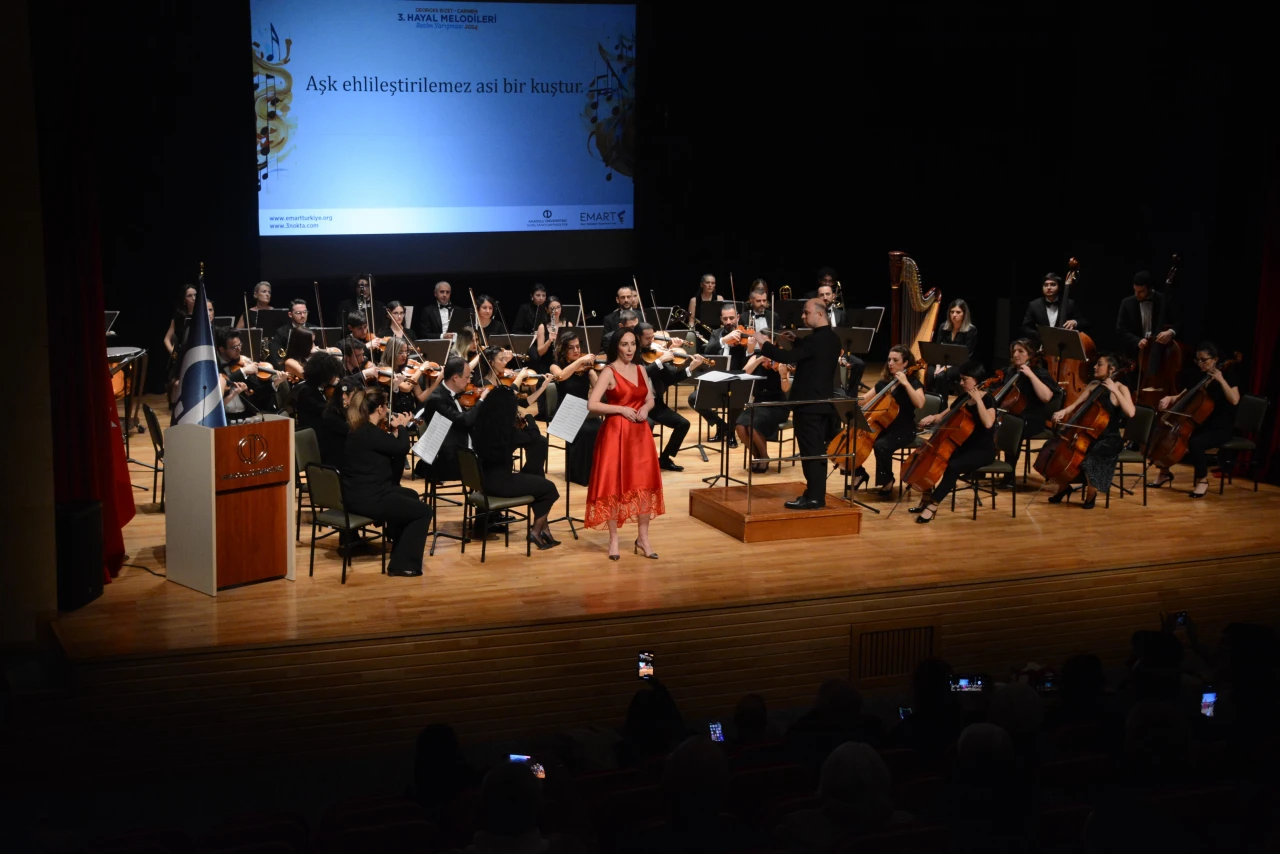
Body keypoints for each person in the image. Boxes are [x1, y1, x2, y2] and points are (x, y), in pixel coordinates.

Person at [586, 328, 665, 560]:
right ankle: (614, 539)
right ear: (616, 347)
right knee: (613, 485)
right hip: (615, 433)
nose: (630, 349)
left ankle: (643, 538)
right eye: (624, 344)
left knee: (643, 485)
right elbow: (592, 404)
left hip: (640, 434)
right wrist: (620, 409)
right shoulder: (608, 372)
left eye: (632, 344)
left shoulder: (641, 369)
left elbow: (650, 398)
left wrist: (645, 408)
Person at [756, 298, 841, 509]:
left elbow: (787, 357)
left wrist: (763, 343)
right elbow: (811, 352)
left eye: (806, 312)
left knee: (811, 453)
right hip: (820, 403)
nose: (803, 316)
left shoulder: (816, 340)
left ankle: (814, 498)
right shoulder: (831, 338)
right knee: (814, 452)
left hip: (809, 405)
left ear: (820, 314)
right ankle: (813, 494)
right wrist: (796, 340)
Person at [342, 390, 432, 577]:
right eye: (386, 406)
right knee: (424, 511)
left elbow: (393, 455)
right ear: (381, 409)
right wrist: (403, 428)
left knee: (411, 496)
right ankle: (402, 564)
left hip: (356, 494)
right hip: (371, 498)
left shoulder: (359, 429)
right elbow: (401, 448)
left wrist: (394, 431)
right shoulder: (371, 433)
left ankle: (398, 544)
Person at [470, 385, 561, 550]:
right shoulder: (504, 431)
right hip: (501, 485)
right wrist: (528, 416)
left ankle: (544, 530)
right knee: (549, 489)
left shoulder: (481, 425)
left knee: (537, 480)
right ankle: (535, 532)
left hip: (483, 482)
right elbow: (533, 436)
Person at [1147, 341, 1240, 497]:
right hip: (1202, 424)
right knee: (1166, 437)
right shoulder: (1200, 376)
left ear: (1215, 359)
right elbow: (1187, 394)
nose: (1200, 364)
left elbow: (1235, 400)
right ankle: (1164, 473)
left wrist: (1221, 380)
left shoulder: (1229, 375)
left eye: (1204, 360)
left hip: (1221, 427)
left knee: (1195, 442)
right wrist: (1171, 398)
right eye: (1198, 360)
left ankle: (1202, 480)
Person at [911, 360, 998, 522]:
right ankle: (926, 497)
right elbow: (944, 415)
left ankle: (933, 505)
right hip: (961, 446)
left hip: (982, 450)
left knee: (953, 466)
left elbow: (988, 423)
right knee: (931, 460)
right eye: (961, 379)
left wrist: (978, 400)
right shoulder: (963, 398)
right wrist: (932, 418)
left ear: (976, 380)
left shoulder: (988, 400)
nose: (961, 383)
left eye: (965, 379)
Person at [1047, 353, 1136, 508]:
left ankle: (1091, 495)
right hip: (1088, 434)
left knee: (1091, 456)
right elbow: (1075, 406)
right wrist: (1063, 412)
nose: (1095, 367)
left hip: (1109, 438)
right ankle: (1063, 487)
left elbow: (1131, 412)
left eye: (1099, 364)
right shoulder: (1094, 385)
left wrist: (1115, 390)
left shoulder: (1121, 388)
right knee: (1055, 450)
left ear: (1112, 369)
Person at [851, 345, 925, 497]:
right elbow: (864, 400)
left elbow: (920, 403)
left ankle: (888, 481)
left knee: (881, 445)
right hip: (884, 426)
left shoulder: (913, 384)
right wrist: (846, 399)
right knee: (852, 438)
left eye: (895, 360)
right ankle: (859, 473)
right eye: (889, 359)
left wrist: (905, 383)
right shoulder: (884, 384)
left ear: (905, 363)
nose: (890, 363)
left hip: (904, 429)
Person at [638, 323, 707, 472]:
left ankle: (664, 458)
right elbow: (639, 375)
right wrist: (660, 361)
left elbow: (671, 379)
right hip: (635, 404)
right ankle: (642, 462)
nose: (652, 341)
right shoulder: (632, 355)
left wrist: (691, 367)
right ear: (638, 338)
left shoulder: (654, 354)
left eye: (652, 337)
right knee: (648, 424)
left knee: (683, 424)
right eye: (647, 338)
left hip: (654, 403)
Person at [415, 357, 491, 483]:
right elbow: (464, 421)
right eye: (466, 377)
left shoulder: (455, 394)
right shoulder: (437, 399)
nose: (469, 381)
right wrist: (481, 400)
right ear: (455, 378)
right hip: (450, 459)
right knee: (495, 465)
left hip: (463, 449)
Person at [477, 346, 551, 474]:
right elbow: (507, 397)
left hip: (509, 429)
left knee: (541, 441)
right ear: (491, 362)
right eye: (501, 359)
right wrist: (520, 377)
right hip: (498, 433)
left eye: (505, 359)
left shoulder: (501, 381)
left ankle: (530, 474)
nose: (505, 362)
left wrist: (543, 387)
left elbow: (523, 402)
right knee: (536, 439)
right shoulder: (484, 384)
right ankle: (531, 477)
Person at [998, 338, 1057, 487]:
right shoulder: (1010, 372)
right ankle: (980, 468)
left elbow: (1046, 396)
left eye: (1021, 351)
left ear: (1030, 355)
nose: (1016, 354)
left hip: (1032, 419)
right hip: (1012, 415)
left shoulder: (1040, 373)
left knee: (1013, 427)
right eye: (1014, 351)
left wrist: (1031, 375)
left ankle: (1009, 475)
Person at [691, 302, 751, 447]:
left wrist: (749, 348)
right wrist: (724, 341)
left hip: (736, 380)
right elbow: (708, 350)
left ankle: (731, 432)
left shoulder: (744, 334)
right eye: (725, 319)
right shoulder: (716, 333)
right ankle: (721, 425)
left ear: (737, 317)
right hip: (716, 381)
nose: (729, 322)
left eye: (731, 318)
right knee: (693, 398)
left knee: (735, 397)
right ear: (721, 319)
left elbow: (747, 362)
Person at [551, 330, 601, 487]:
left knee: (600, 428)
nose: (576, 351)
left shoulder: (585, 368)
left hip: (584, 411)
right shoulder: (555, 365)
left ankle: (596, 473)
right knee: (585, 431)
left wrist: (594, 372)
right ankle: (579, 475)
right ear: (563, 349)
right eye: (572, 348)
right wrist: (579, 362)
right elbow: (561, 377)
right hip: (565, 412)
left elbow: (599, 389)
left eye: (578, 347)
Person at [736, 353, 791, 474]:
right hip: (758, 403)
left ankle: (764, 458)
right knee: (740, 426)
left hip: (777, 405)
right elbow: (743, 374)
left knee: (753, 425)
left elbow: (785, 389)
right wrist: (759, 360)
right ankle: (758, 456)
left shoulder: (780, 361)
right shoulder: (756, 358)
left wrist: (783, 375)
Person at [1116, 270, 1180, 360]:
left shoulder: (1165, 300)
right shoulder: (1126, 303)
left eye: (1141, 291)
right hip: (1135, 355)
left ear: (1150, 288)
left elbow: (1179, 322)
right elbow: (1121, 330)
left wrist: (1171, 332)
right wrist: (1137, 341)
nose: (1137, 295)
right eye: (1135, 290)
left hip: (1162, 353)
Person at [925, 298, 977, 405]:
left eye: (958, 312)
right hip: (942, 363)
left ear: (964, 314)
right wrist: (939, 367)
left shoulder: (971, 330)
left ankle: (941, 406)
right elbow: (938, 349)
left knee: (941, 376)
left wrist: (944, 368)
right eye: (952, 312)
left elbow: (966, 356)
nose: (954, 315)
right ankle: (929, 404)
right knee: (928, 372)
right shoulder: (943, 327)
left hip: (961, 365)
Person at [1020, 272, 1088, 341]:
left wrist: (1075, 322)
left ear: (1059, 287)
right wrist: (1041, 335)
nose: (1049, 287)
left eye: (1053, 284)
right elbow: (1025, 327)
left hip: (1065, 344)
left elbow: (1084, 322)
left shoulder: (1069, 303)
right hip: (1041, 345)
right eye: (1045, 285)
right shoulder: (1034, 305)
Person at [293, 351, 343, 433]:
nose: (336, 377)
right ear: (326, 375)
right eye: (334, 374)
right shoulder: (307, 391)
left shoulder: (317, 387)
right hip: (315, 435)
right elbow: (326, 413)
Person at [267, 299, 313, 369]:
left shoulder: (314, 330)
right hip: (290, 371)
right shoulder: (281, 332)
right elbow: (275, 357)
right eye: (298, 313)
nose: (303, 315)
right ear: (290, 314)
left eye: (305, 312)